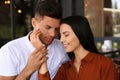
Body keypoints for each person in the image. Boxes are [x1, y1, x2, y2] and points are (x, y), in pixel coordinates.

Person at [0, 1, 69, 80]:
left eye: (56, 29)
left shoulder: (61, 47)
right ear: (34, 23)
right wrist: (29, 69)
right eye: (47, 27)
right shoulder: (10, 51)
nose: (53, 34)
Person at [38, 15, 118, 80]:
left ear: (80, 33)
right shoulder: (65, 68)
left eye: (66, 35)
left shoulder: (105, 64)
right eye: (60, 35)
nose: (61, 40)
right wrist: (43, 58)